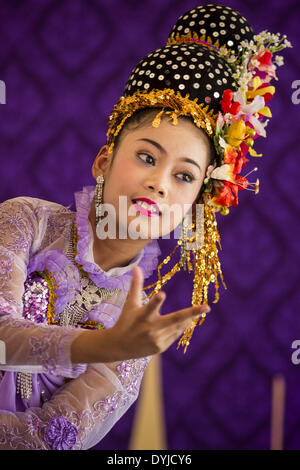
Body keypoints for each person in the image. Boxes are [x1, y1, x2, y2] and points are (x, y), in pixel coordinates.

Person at [0, 3, 291, 450]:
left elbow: (45, 440)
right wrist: (101, 346)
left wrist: (120, 349)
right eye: (147, 157)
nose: (158, 183)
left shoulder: (134, 342)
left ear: (195, 206)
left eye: (184, 176)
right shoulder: (25, 221)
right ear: (104, 161)